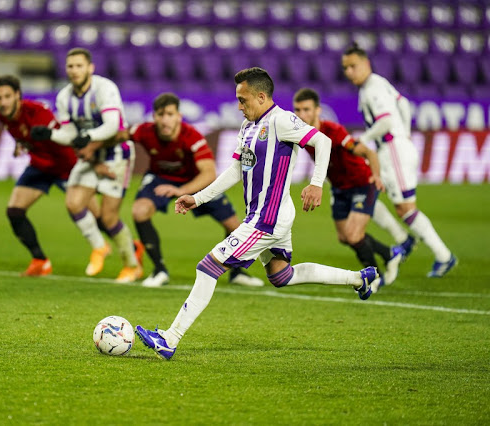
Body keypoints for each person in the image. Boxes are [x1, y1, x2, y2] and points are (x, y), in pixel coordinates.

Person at [135, 68, 378, 360]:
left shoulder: (282, 120)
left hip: (268, 218)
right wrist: (197, 199)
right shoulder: (247, 127)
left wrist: (316, 184)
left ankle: (169, 339)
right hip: (266, 215)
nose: (239, 106)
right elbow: (235, 170)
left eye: (243, 99)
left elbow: (323, 142)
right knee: (281, 275)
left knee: (208, 266)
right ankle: (358, 279)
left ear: (261, 96)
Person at [342, 43, 457, 278]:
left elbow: (384, 122)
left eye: (353, 66)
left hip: (393, 150)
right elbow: (403, 103)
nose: (349, 72)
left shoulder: (372, 88)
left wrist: (364, 139)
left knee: (405, 208)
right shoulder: (376, 83)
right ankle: (403, 239)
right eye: (346, 68)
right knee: (364, 189)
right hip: (393, 147)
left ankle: (444, 256)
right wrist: (404, 131)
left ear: (366, 64)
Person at [127, 92, 264, 288]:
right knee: (139, 211)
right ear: (154, 117)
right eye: (160, 114)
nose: (165, 119)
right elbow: (119, 134)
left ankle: (236, 272)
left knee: (235, 227)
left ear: (178, 116)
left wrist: (182, 190)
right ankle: (159, 270)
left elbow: (208, 173)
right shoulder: (144, 131)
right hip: (160, 179)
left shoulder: (191, 136)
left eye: (170, 114)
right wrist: (93, 150)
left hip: (195, 182)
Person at [31, 47, 142, 282]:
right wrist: (50, 135)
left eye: (79, 66)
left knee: (109, 217)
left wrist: (87, 138)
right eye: (70, 66)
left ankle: (132, 265)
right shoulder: (64, 97)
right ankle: (99, 246)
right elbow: (70, 134)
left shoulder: (105, 88)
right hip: (90, 155)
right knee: (73, 202)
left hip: (116, 155)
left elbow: (113, 126)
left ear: (90, 68)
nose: (74, 71)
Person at [293, 87, 410, 291]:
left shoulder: (334, 132)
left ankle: (373, 276)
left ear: (317, 110)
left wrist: (376, 175)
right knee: (344, 237)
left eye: (306, 109)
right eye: (298, 110)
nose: (302, 114)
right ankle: (390, 254)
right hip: (339, 189)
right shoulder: (301, 134)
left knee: (354, 236)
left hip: (361, 184)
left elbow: (368, 152)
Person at [0, 74, 88, 277]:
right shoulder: (3, 116)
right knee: (15, 211)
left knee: (96, 216)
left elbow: (57, 138)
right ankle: (40, 260)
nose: (3, 102)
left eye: (7, 96)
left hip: (65, 166)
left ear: (18, 95)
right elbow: (26, 136)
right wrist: (21, 144)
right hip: (41, 166)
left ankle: (131, 249)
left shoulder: (37, 111)